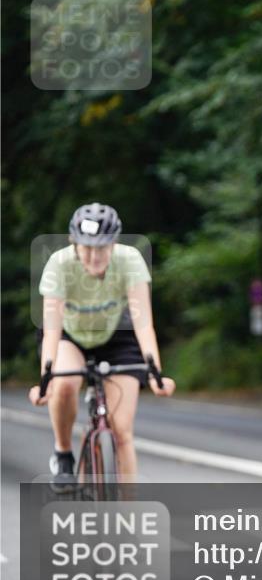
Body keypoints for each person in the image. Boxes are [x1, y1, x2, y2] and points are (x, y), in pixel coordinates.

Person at [29, 203, 176, 489]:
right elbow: (51, 329)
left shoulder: (130, 260)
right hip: (69, 335)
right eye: (86, 248)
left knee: (121, 431)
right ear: (74, 243)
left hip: (116, 335)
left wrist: (156, 373)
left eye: (102, 248)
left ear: (114, 243)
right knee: (67, 382)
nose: (94, 256)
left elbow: (143, 322)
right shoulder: (59, 264)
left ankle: (129, 517)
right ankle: (63, 454)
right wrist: (45, 381)